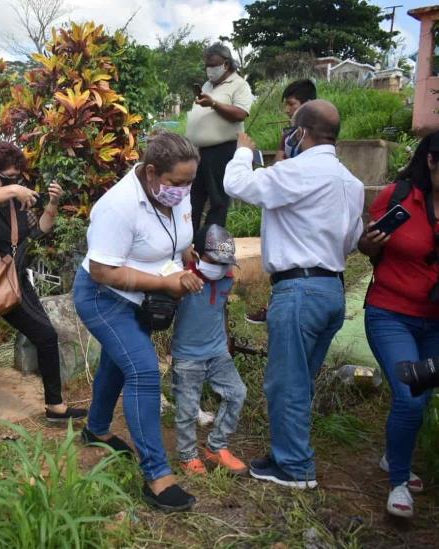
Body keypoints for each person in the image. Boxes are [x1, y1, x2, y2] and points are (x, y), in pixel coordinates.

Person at [223, 100, 364, 489]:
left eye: (292, 129)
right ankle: (290, 453)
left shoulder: (297, 171)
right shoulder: (350, 182)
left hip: (299, 290)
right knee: (299, 380)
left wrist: (243, 153)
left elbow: (236, 184)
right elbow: (351, 241)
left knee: (286, 382)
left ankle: (295, 466)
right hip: (331, 291)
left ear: (301, 133)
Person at [73, 132, 203, 512]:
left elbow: (174, 233)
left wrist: (186, 251)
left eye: (190, 181)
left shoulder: (175, 189)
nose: (184, 189)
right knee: (144, 370)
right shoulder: (119, 206)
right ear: (150, 172)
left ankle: (96, 429)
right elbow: (102, 271)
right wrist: (166, 282)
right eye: (178, 182)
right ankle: (157, 476)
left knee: (119, 363)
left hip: (142, 299)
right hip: (104, 298)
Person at [0, 142, 86, 433]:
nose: (17, 182)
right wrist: (13, 190)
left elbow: (37, 231)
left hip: (13, 281)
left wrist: (52, 204)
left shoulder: (14, 200)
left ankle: (55, 407)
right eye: (9, 178)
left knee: (46, 336)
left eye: (18, 177)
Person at [358, 132, 439, 518]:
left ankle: (396, 455)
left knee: (421, 396)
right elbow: (365, 247)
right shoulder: (398, 196)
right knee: (409, 394)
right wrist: (371, 242)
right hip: (391, 314)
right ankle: (400, 483)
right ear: (431, 162)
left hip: (435, 324)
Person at [171, 224, 247, 477]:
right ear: (196, 254)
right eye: (212, 259)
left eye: (224, 262)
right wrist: (178, 278)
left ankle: (217, 447)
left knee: (237, 393)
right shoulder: (182, 277)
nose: (219, 266)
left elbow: (221, 308)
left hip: (217, 352)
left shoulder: (227, 278)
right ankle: (187, 455)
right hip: (187, 356)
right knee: (187, 409)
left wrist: (226, 338)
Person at [246, 78, 317, 325]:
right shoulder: (289, 135)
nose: (287, 110)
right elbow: (278, 166)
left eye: (291, 104)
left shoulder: (318, 137)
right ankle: (274, 303)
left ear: (308, 105)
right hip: (285, 200)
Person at [186, 43, 253, 233]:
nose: (209, 69)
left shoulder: (239, 85)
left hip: (222, 151)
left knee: (217, 200)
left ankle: (211, 248)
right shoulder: (208, 85)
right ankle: (189, 243)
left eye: (213, 64)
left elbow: (240, 113)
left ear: (226, 63)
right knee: (193, 198)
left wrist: (214, 103)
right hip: (198, 151)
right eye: (207, 65)